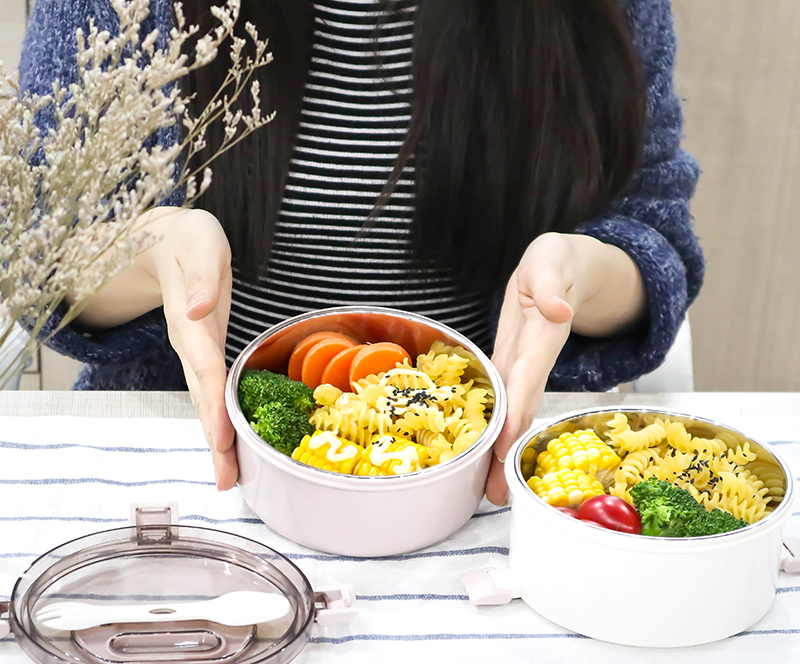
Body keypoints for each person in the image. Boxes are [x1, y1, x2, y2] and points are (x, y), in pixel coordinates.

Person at [18, 0, 703, 505]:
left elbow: (651, 224)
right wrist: (151, 249)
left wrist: (581, 271)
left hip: (485, 480)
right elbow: (43, 254)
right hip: (182, 471)